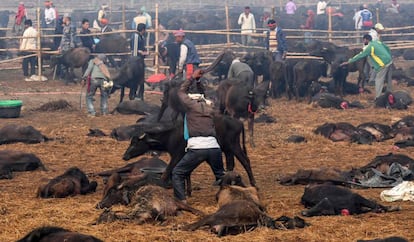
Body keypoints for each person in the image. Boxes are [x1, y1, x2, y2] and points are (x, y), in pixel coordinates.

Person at [172, 69, 225, 203]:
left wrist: (191, 78)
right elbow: (205, 96)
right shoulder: (211, 108)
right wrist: (198, 81)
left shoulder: (191, 106)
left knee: (178, 173)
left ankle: (181, 201)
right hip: (214, 147)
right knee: (221, 176)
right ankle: (231, 197)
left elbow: (181, 92)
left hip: (197, 147)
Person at [341, 34, 392, 99]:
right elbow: (387, 48)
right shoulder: (377, 42)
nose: (363, 42)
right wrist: (389, 56)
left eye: (363, 40)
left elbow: (360, 55)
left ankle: (377, 97)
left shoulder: (370, 47)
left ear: (366, 40)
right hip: (389, 61)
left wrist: (349, 61)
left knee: (379, 80)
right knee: (388, 79)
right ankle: (390, 94)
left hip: (383, 64)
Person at [131, 23, 148, 100]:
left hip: (140, 60)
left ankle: (139, 95)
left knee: (141, 79)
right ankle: (134, 95)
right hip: (136, 61)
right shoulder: (136, 36)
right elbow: (135, 49)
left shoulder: (141, 37)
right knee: (135, 79)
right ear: (143, 30)